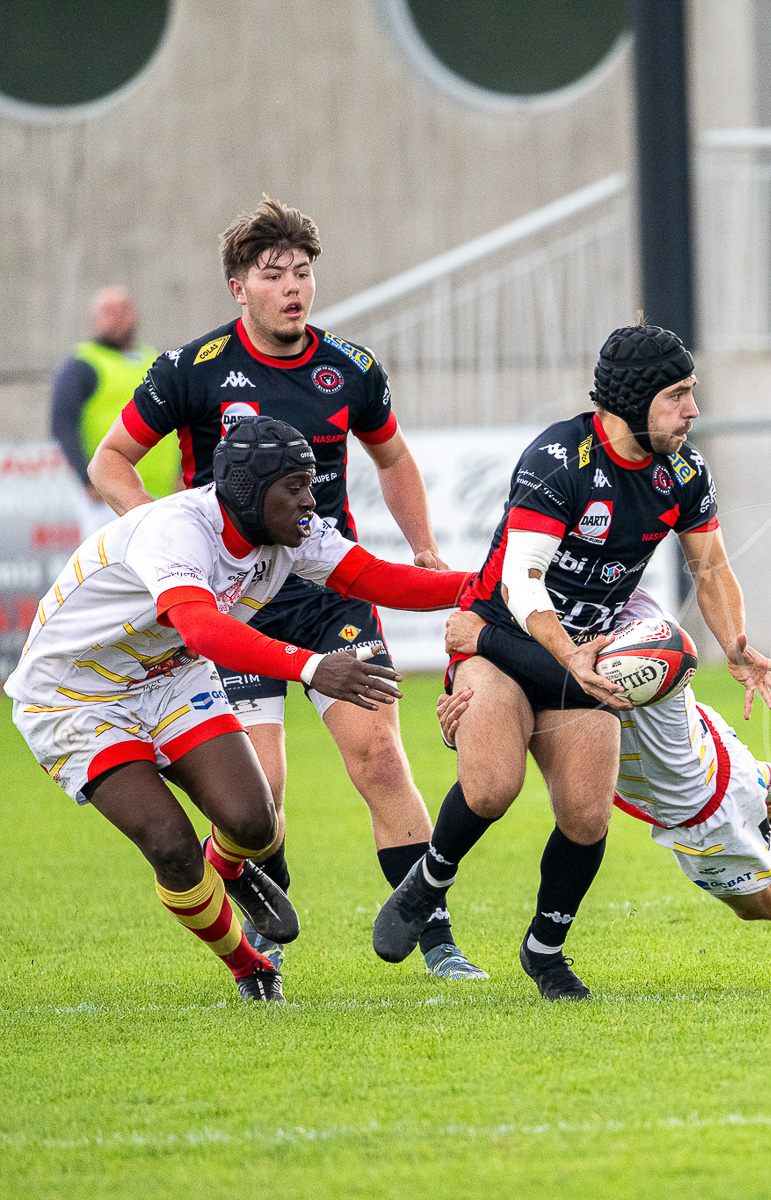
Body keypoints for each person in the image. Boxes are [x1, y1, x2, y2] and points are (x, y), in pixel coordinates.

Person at [87, 197, 484, 980]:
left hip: (328, 586)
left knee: (378, 756)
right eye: (274, 276)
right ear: (240, 287)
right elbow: (112, 464)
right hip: (235, 600)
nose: (293, 288)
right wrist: (167, 545)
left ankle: (437, 942)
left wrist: (427, 550)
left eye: (303, 273)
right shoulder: (191, 370)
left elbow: (394, 460)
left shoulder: (351, 369)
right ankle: (262, 920)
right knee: (259, 788)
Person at [372, 323, 771, 1000]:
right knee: (491, 787)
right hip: (501, 639)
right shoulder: (558, 460)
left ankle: (545, 951)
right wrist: (569, 656)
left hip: (590, 655)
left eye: (693, 394)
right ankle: (429, 882)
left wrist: (736, 642)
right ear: (630, 401)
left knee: (586, 815)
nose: (692, 410)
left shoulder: (682, 472)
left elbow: (710, 567)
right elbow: (523, 583)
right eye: (678, 395)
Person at [8, 418, 470, 1001]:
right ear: (249, 494)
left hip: (167, 678)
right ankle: (249, 965)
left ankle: (225, 867)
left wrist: (482, 586)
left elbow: (377, 578)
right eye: (296, 486)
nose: (311, 499)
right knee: (171, 846)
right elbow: (201, 630)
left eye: (311, 483)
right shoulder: (177, 529)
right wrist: (312, 666)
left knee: (255, 823)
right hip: (74, 695)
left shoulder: (294, 532)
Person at [437, 599, 771, 955]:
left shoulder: (624, 645)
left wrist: (484, 641)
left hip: (700, 811)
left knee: (763, 903)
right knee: (714, 768)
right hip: (711, 744)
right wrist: (469, 718)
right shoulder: (621, 598)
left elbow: (563, 683)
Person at [49, 287, 180, 537]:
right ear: (93, 319)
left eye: (123, 309)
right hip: (110, 496)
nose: (117, 317)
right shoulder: (83, 364)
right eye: (108, 311)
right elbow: (63, 424)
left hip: (163, 496)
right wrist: (88, 480)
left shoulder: (154, 360)